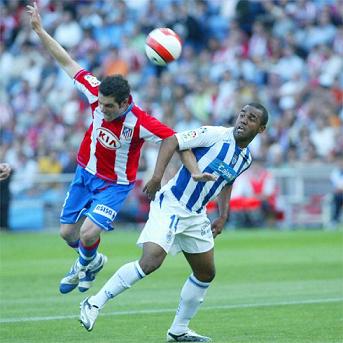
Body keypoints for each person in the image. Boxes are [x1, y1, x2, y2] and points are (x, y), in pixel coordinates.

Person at [79, 103, 268, 342]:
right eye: (242, 114)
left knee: (206, 272)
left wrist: (223, 215)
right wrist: (157, 177)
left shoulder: (245, 158)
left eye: (251, 118)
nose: (243, 120)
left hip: (196, 214)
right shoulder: (215, 135)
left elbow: (226, 181)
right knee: (151, 261)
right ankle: (94, 303)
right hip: (172, 204)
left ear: (261, 129)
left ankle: (178, 330)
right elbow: (172, 141)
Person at [26, 2, 177, 295]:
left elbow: (174, 138)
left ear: (124, 103)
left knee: (88, 231)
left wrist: (163, 174)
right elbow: (67, 62)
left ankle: (82, 265)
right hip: (85, 172)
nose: (103, 110)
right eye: (101, 104)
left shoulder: (141, 121)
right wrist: (40, 30)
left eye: (109, 107)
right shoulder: (96, 92)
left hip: (115, 184)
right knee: (67, 233)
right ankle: (91, 261)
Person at [330, 155, 343, 226]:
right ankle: (335, 220)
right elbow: (336, 186)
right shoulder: (334, 172)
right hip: (338, 194)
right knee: (337, 198)